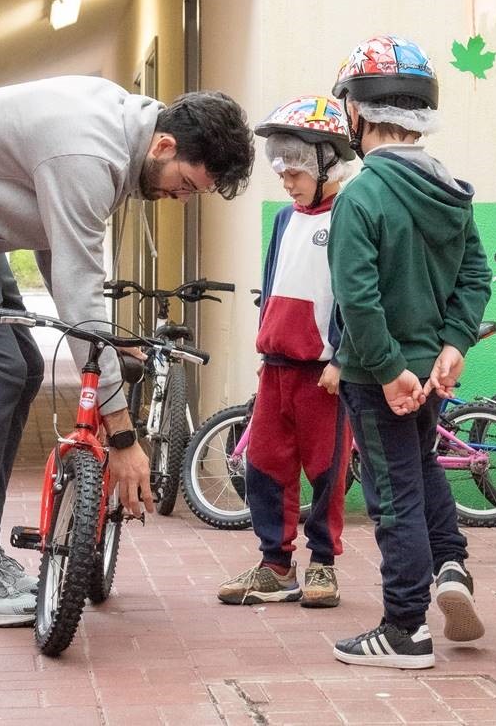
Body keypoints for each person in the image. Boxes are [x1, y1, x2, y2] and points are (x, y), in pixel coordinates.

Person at [0, 76, 254, 627]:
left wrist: (105, 339)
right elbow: (77, 284)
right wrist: (120, 432)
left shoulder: (122, 142)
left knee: (23, 366)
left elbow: (64, 256)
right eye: (184, 184)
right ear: (164, 146)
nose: (177, 198)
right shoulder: (89, 152)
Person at [326, 36, 491, 669]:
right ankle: (452, 565)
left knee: (392, 497)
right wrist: (452, 346)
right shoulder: (449, 190)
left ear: (359, 116)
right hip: (432, 373)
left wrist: (390, 371)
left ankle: (404, 630)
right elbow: (474, 276)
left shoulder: (360, 197)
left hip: (381, 377)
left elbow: (358, 300)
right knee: (420, 469)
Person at [217, 95, 356, 609]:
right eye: (282, 167)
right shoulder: (283, 219)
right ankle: (275, 564)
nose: (286, 178)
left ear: (326, 162)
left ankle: (323, 564)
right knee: (266, 463)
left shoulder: (348, 215)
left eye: (295, 168)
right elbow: (273, 283)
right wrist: (265, 345)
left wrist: (342, 356)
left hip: (323, 372)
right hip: (276, 368)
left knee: (326, 468)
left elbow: (354, 292)